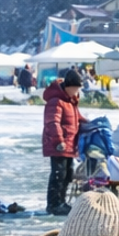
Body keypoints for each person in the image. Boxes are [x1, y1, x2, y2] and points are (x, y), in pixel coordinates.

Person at [41, 70, 85, 216]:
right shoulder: (56, 101)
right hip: (58, 144)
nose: (77, 92)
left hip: (69, 143)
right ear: (68, 86)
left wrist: (92, 124)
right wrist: (59, 140)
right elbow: (52, 122)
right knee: (58, 174)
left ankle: (61, 201)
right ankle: (53, 204)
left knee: (68, 174)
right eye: (75, 88)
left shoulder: (70, 102)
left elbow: (77, 118)